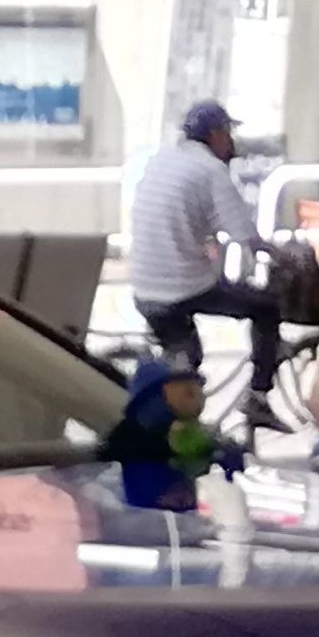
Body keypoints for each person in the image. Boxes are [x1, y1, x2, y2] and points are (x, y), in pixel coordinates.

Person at [126, 101, 286, 423]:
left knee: (184, 354)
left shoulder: (163, 158)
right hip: (180, 287)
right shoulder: (210, 170)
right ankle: (257, 397)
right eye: (228, 133)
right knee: (266, 307)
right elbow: (243, 234)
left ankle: (167, 405)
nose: (231, 142)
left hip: (143, 285)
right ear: (215, 134)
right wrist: (276, 255)